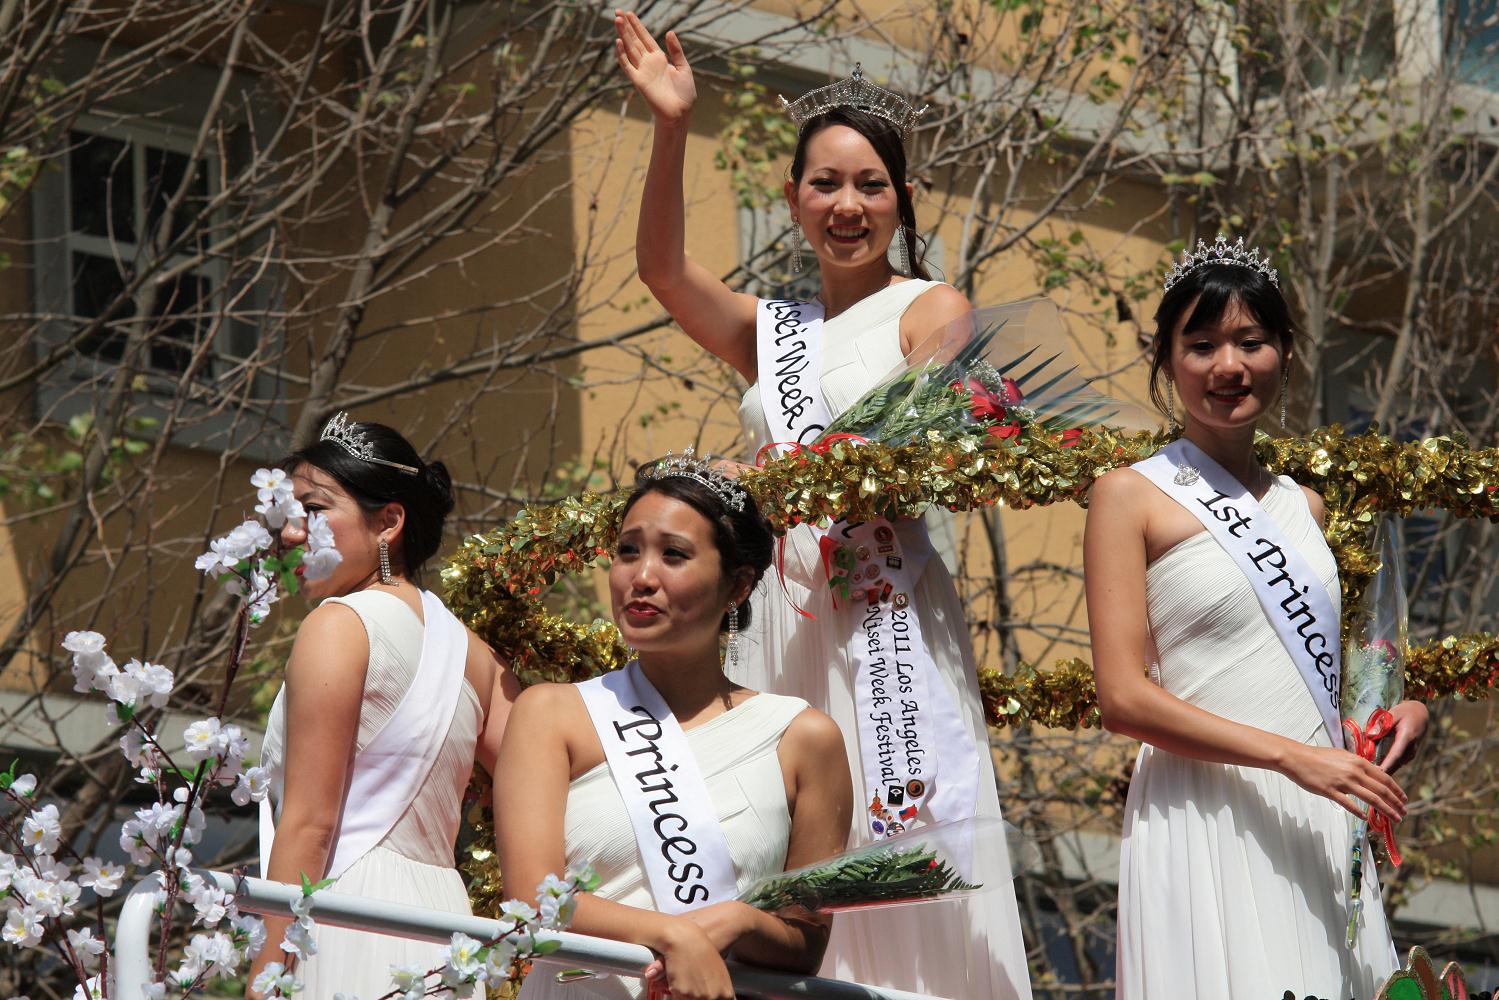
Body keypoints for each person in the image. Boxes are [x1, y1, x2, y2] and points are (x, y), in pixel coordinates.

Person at [615, 11, 1033, 998]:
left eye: (870, 185)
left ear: (902, 199)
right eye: (825, 184)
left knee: (896, 826)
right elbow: (665, 273)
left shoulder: (929, 304)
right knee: (780, 832)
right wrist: (672, 126)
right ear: (795, 200)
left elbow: (937, 409)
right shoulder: (775, 330)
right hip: (777, 616)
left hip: (879, 609)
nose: (847, 205)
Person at [1084, 237, 1429, 999]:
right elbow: (1123, 698)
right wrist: (1290, 758)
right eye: (1201, 344)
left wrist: (1382, 717)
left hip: (1317, 809)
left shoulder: (1302, 505)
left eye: (1250, 341)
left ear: (1284, 351)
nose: (1227, 367)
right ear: (1167, 358)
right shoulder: (1128, 495)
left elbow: (1302, 672)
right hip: (1205, 809)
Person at [495, 455, 853, 1000]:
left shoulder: (801, 738)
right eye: (628, 551)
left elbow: (805, 942)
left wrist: (741, 921)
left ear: (736, 586)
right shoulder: (552, 713)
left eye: (674, 555)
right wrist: (673, 934)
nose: (641, 577)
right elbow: (533, 898)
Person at [249, 413, 520, 999]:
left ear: (388, 522)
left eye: (315, 510)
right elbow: (547, 789)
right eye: (288, 515)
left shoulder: (337, 625)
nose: (292, 532)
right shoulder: (476, 656)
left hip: (346, 917)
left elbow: (311, 824)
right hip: (447, 928)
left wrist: (266, 974)